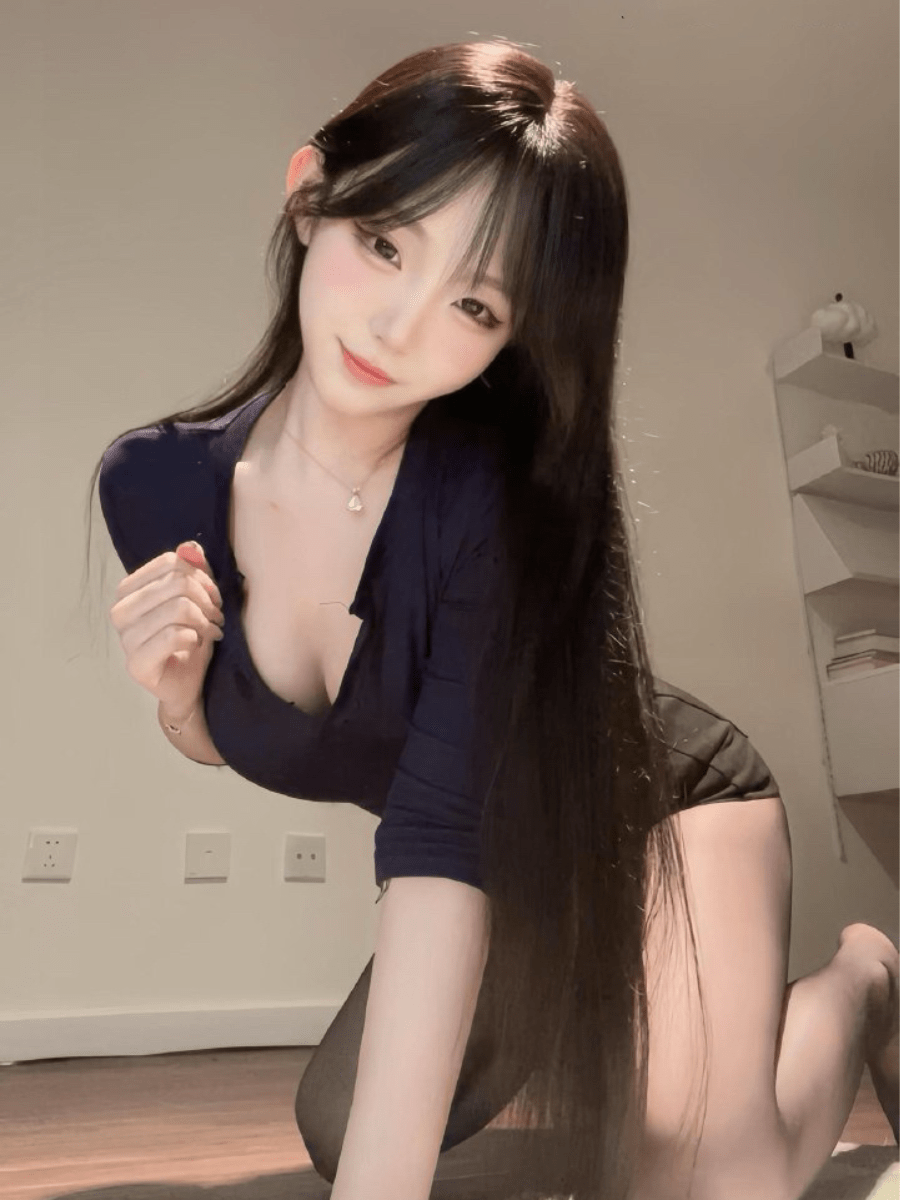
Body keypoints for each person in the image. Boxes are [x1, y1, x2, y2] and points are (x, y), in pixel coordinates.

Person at [87, 38, 898, 1200]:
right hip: (509, 857)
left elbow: (436, 841)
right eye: (384, 242)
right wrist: (177, 697)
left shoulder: (481, 504)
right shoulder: (152, 487)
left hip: (658, 803)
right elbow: (236, 730)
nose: (400, 325)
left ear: (508, 337)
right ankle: (668, 1043)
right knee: (343, 1128)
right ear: (312, 194)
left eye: (472, 302)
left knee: (712, 1180)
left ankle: (864, 977)